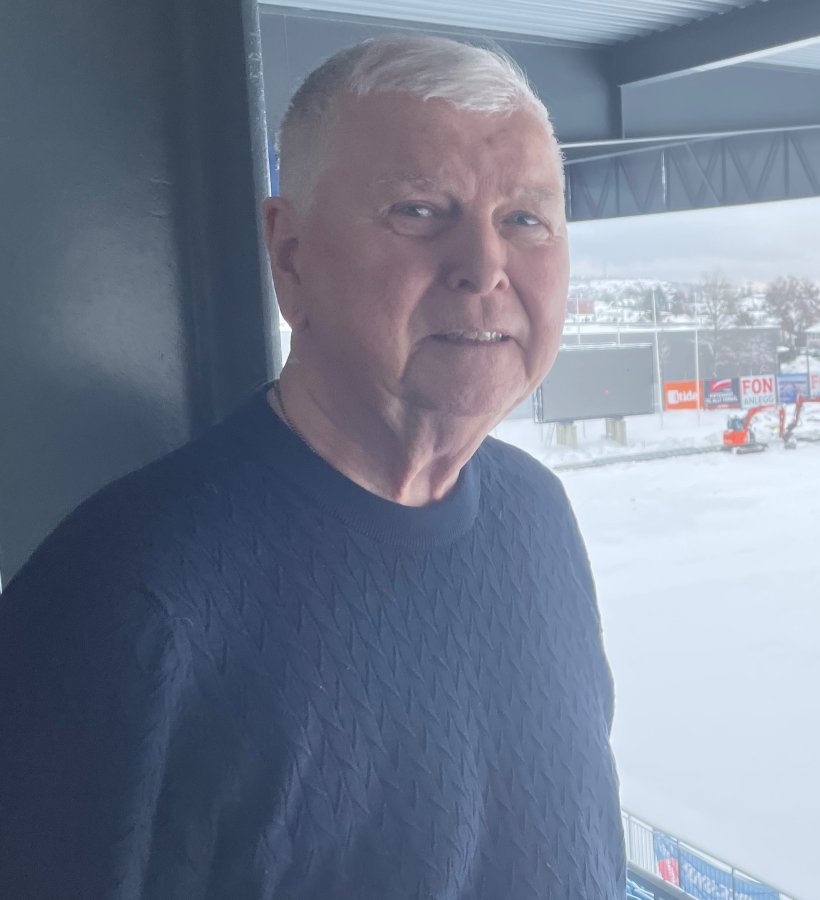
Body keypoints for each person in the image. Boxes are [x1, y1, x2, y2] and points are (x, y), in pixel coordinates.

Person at [0, 36, 623, 898]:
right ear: (291, 256)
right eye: (418, 210)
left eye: (525, 220)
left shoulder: (537, 518)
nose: (484, 269)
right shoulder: (125, 598)